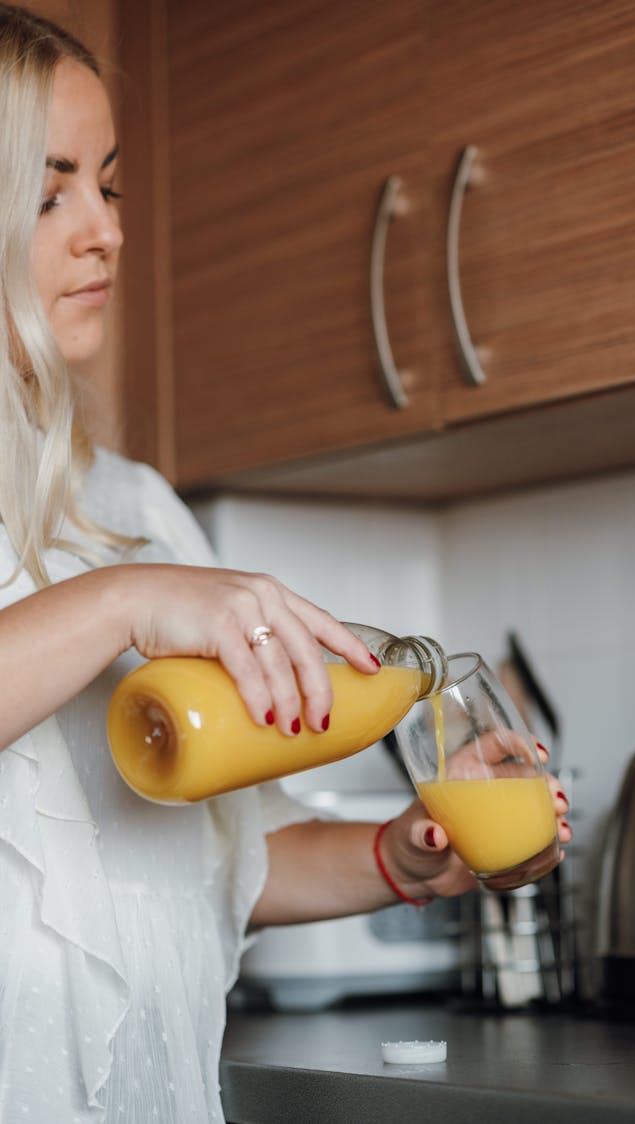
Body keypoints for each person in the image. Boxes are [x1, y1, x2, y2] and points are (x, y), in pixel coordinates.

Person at [0, 6, 572, 1122]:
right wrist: (130, 601)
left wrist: (415, 855)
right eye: (48, 187)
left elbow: (231, 858)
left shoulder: (135, 509)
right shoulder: (143, 571)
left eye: (109, 187)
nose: (106, 231)